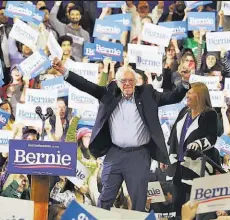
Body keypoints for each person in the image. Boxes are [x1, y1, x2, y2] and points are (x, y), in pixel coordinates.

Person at [52, 57, 190, 211]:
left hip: (139, 155)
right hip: (114, 154)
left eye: (131, 80)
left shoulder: (147, 94)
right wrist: (64, 70)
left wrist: (184, 81)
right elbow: (86, 85)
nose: (128, 84)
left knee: (138, 201)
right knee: (105, 198)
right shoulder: (109, 93)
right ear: (117, 83)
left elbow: (173, 97)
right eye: (123, 81)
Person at [167, 82, 220, 217]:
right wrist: (167, 156)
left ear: (200, 95)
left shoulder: (210, 114)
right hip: (177, 164)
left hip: (195, 167)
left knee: (193, 206)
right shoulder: (184, 111)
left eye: (190, 92)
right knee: (177, 203)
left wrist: (199, 144)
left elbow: (212, 137)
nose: (187, 95)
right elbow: (174, 134)